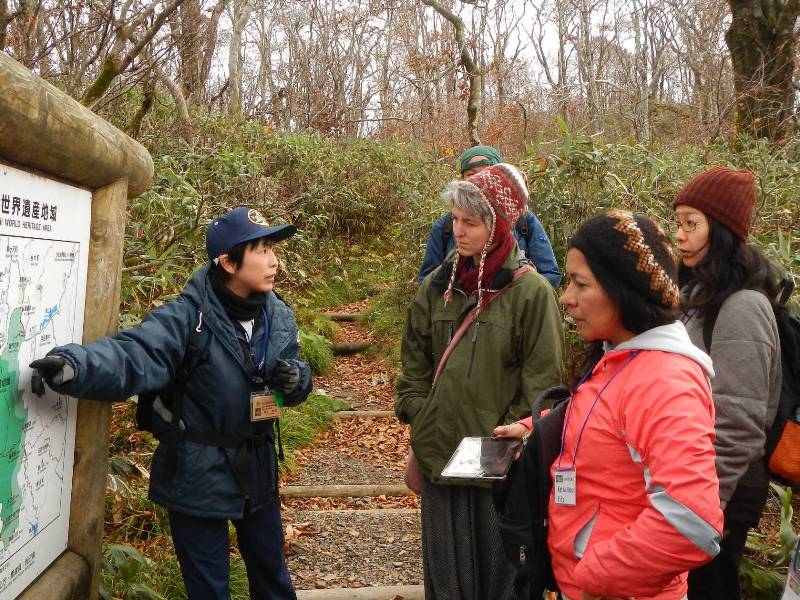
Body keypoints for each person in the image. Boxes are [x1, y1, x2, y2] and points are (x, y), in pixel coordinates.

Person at [30, 206, 312, 600]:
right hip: (196, 470)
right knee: (209, 590)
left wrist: (298, 380)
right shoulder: (186, 318)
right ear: (229, 262)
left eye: (272, 249)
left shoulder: (277, 314)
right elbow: (136, 353)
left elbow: (296, 367)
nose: (274, 260)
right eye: (262, 250)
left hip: (257, 464)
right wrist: (75, 365)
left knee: (272, 576)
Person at [495, 209, 724, 600]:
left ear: (624, 290)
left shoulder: (664, 381)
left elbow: (692, 521)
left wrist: (594, 575)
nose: (566, 298)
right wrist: (541, 427)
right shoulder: (621, 357)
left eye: (581, 284)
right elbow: (608, 418)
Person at [396, 163, 565, 600]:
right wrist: (418, 409)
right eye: (454, 219)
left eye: (470, 222)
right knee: (446, 581)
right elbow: (413, 355)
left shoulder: (531, 294)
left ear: (498, 224)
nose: (458, 231)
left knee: (499, 580)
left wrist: (519, 433)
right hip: (439, 455)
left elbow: (542, 382)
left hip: (494, 464)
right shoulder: (439, 285)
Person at [670, 167, 783, 600]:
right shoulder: (698, 295)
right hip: (692, 480)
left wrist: (702, 505)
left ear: (720, 231)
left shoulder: (743, 307)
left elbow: (738, 421)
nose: (680, 235)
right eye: (678, 222)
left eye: (691, 224)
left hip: (722, 488)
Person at [417, 145, 561, 287]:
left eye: (486, 174)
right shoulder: (445, 227)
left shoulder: (525, 222)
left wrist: (524, 287)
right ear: (462, 179)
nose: (479, 182)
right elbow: (428, 281)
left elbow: (550, 275)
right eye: (472, 175)